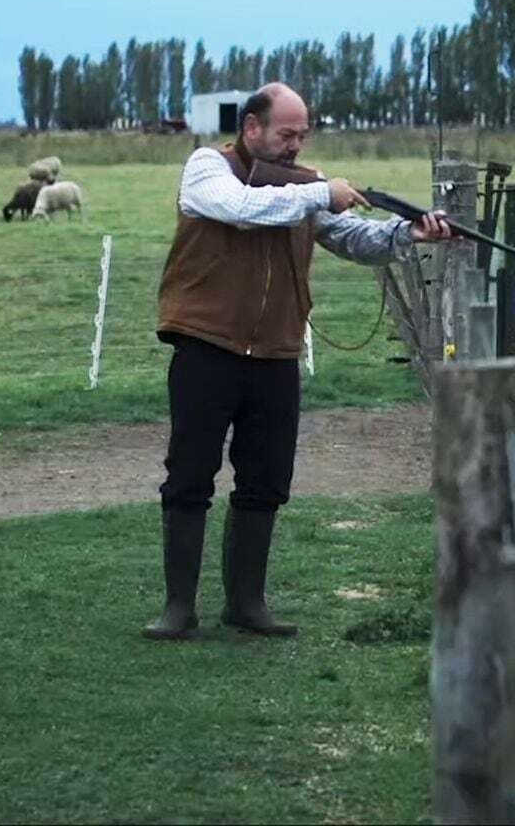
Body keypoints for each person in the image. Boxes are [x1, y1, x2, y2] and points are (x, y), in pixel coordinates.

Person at [145, 83, 451, 640]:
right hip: (206, 345)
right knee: (189, 475)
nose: (295, 145)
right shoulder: (206, 167)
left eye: (303, 136)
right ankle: (178, 608)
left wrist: (408, 232)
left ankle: (246, 604)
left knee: (266, 479)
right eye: (286, 134)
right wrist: (319, 193)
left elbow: (356, 240)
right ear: (251, 128)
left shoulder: (303, 186)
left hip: (277, 350)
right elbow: (240, 210)